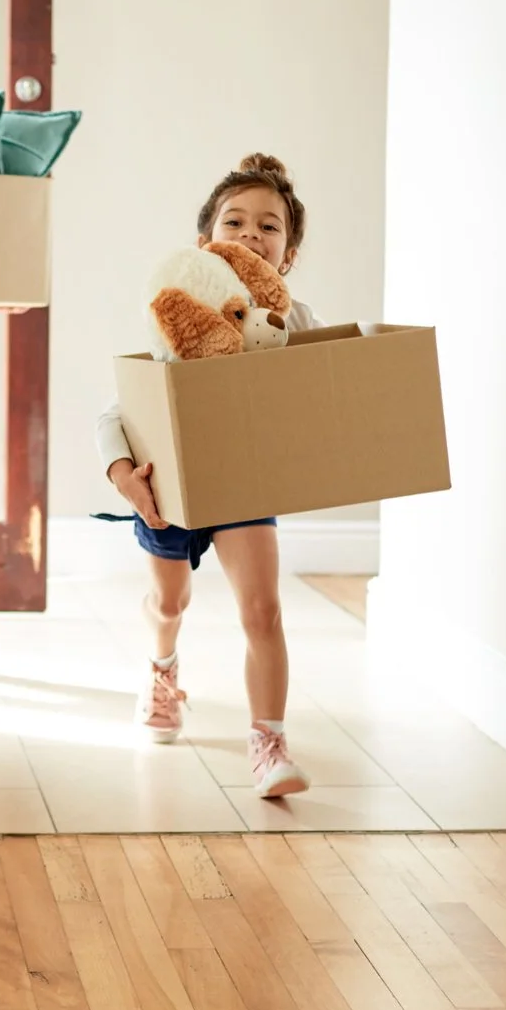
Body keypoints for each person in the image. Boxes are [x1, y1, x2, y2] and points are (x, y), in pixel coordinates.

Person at [97, 153, 315, 797]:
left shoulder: (295, 323)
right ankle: (162, 670)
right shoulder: (178, 313)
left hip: (244, 481)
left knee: (263, 609)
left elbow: (325, 397)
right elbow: (123, 406)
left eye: (269, 227)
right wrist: (122, 476)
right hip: (170, 485)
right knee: (169, 603)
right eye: (235, 222)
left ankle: (268, 743)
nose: (251, 235)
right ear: (204, 244)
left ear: (288, 256)